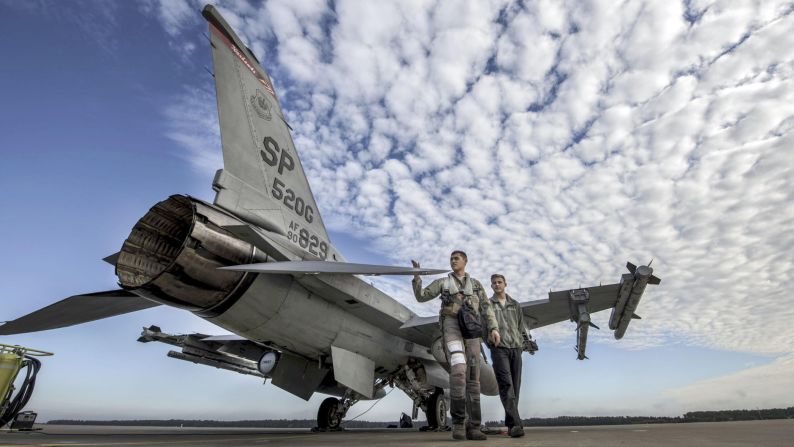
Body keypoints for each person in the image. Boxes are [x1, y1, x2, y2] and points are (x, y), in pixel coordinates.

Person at [411, 251, 500, 441]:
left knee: (473, 377)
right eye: (451, 259)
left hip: (472, 330)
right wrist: (417, 277)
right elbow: (421, 296)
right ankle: (459, 424)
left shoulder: (475, 285)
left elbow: (486, 307)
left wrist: (493, 328)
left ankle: (474, 426)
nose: (453, 261)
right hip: (451, 327)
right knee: (459, 370)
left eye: (456, 258)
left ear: (465, 261)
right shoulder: (443, 283)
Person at [487, 274, 526, 438]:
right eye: (494, 283)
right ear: (491, 286)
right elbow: (485, 327)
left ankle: (511, 424)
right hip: (499, 349)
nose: (497, 285)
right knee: (506, 385)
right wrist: (491, 343)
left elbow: (520, 326)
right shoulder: (487, 305)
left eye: (499, 282)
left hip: (516, 348)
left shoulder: (515, 304)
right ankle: (516, 424)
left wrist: (521, 344)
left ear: (505, 284)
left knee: (515, 387)